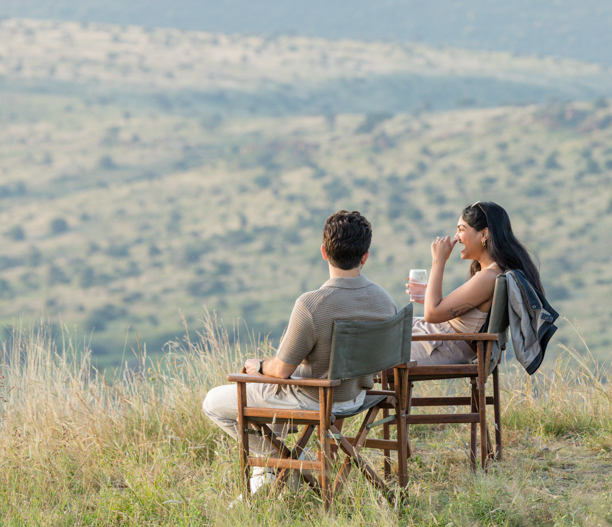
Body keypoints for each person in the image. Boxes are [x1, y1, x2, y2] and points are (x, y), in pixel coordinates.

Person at [201, 210, 396, 494]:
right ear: (365, 256)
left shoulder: (312, 304)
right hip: (356, 398)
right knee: (273, 406)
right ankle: (280, 475)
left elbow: (281, 371)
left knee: (213, 402)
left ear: (324, 252)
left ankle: (280, 462)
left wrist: (258, 365)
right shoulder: (384, 301)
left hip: (314, 401)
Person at [409, 201, 544, 365]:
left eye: (461, 229)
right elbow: (451, 313)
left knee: (376, 350)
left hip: (441, 344)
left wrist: (438, 260)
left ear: (484, 234)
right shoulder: (490, 274)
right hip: (437, 339)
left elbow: (432, 314)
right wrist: (427, 297)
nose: (456, 237)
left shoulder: (489, 277)